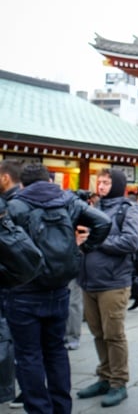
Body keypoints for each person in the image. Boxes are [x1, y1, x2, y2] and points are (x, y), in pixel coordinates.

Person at [3, 163, 111, 414]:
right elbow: (103, 222)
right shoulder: (67, 201)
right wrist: (81, 250)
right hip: (60, 288)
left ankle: (39, 409)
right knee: (56, 351)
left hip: (24, 290)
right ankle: (62, 407)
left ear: (22, 184)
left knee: (28, 355)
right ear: (49, 180)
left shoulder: (15, 206)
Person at [75, 168, 138, 407]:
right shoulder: (94, 208)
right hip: (88, 280)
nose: (101, 186)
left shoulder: (128, 209)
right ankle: (104, 376)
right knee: (97, 333)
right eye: (99, 182)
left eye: (106, 182)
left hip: (114, 282)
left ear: (116, 185)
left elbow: (132, 241)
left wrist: (95, 238)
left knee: (114, 334)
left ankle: (118, 382)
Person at [0, 160, 22, 407]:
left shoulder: (12, 206)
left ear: (6, 178)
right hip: (18, 278)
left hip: (10, 279)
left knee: (8, 335)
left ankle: (9, 388)